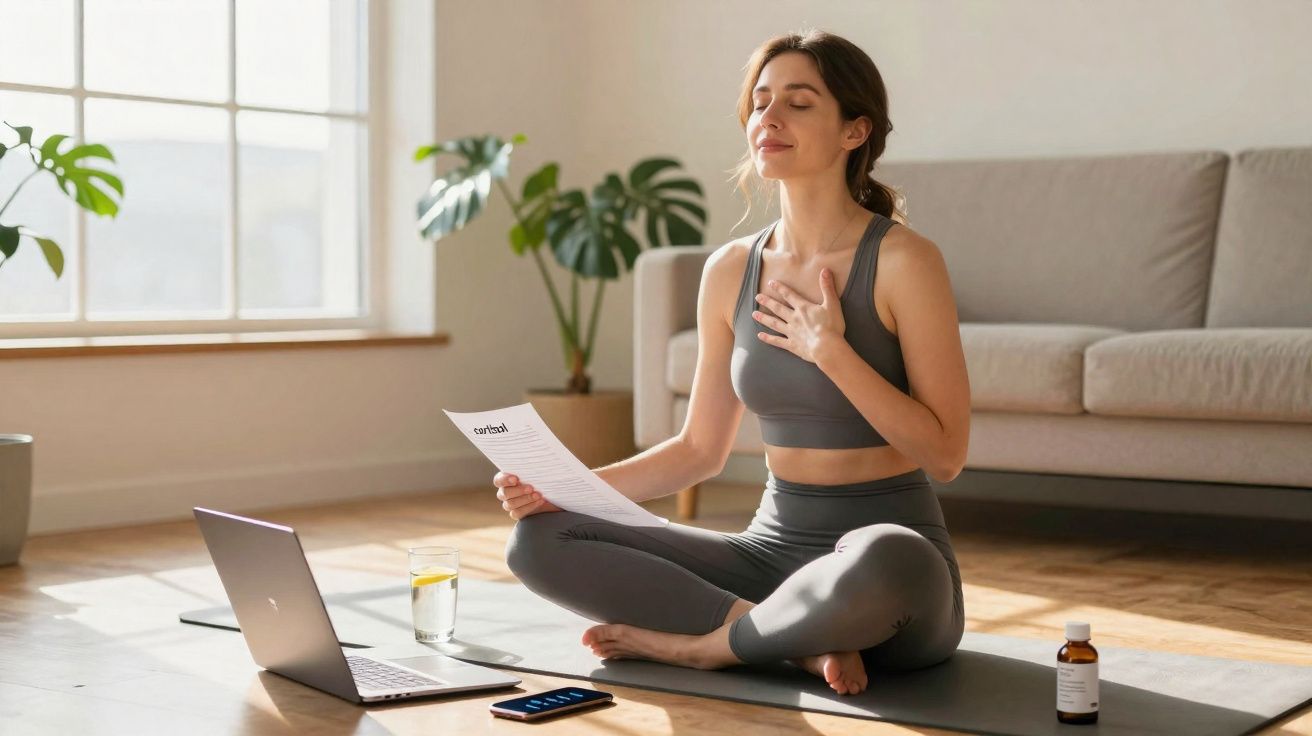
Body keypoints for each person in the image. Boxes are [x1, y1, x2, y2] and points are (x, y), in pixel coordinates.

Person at [492, 28, 971, 697]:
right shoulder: (730, 271)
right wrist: (564, 489)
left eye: (799, 103)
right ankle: (786, 642)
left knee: (887, 557)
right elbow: (697, 451)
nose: (768, 118)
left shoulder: (903, 261)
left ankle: (708, 649)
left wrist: (829, 351)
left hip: (887, 577)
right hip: (770, 557)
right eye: (760, 101)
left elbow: (945, 453)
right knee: (540, 538)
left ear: (854, 132)